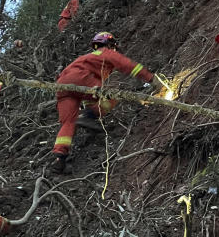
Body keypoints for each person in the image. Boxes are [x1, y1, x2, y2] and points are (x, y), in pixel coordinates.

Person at [50, 32, 155, 174]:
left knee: (68, 122)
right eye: (113, 46)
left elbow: (88, 94)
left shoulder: (88, 58)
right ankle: (88, 117)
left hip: (62, 84)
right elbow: (128, 65)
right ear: (109, 44)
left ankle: (59, 159)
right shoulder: (105, 53)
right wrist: (150, 78)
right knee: (111, 96)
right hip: (80, 78)